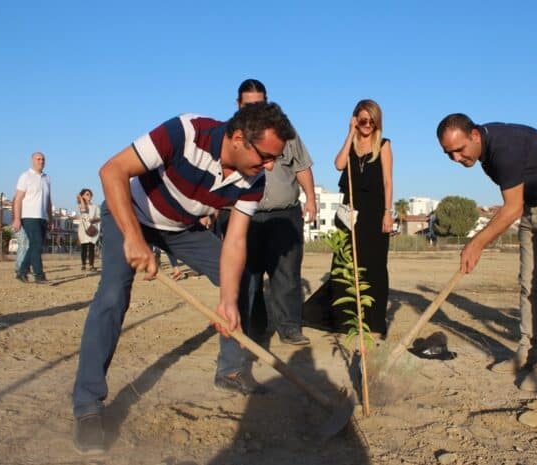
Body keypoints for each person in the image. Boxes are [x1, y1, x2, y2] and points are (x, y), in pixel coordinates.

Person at [71, 102, 295, 455]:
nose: (269, 166)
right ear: (238, 138)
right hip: (128, 214)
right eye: (266, 156)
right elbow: (111, 171)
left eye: (274, 159)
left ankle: (230, 371)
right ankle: (87, 405)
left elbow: (235, 240)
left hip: (180, 229)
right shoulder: (185, 132)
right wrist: (133, 237)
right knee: (113, 295)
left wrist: (227, 300)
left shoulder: (255, 178)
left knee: (243, 279)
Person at [436, 114, 537, 394]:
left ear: (474, 135)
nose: (457, 158)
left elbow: (511, 209)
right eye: (449, 154)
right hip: (533, 208)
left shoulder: (503, 148)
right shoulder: (487, 157)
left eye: (459, 150)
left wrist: (476, 243)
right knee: (528, 284)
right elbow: (517, 203)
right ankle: (527, 353)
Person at [228, 79, 317, 347]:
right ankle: (253, 329)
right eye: (248, 105)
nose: (255, 110)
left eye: (260, 104)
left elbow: (301, 166)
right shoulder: (231, 135)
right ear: (237, 105)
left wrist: (311, 198)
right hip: (245, 217)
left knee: (287, 274)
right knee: (248, 275)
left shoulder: (286, 133)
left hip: (284, 215)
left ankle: (289, 328)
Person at [304, 99, 394, 336]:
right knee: (344, 264)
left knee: (374, 268)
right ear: (355, 120)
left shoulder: (383, 145)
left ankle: (374, 323)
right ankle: (345, 322)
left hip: (375, 213)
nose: (367, 125)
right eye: (362, 120)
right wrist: (349, 133)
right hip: (350, 213)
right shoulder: (352, 145)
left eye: (371, 121)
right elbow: (338, 164)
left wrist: (388, 212)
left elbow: (387, 182)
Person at [13, 152, 52, 283]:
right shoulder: (25, 176)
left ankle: (22, 272)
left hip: (42, 217)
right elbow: (18, 199)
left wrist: (50, 218)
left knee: (36, 246)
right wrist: (17, 218)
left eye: (43, 159)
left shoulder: (47, 178)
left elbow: (48, 200)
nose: (41, 161)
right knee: (36, 244)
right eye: (38, 159)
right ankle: (39, 275)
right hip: (29, 216)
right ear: (32, 161)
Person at [76, 189, 101, 271]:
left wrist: (94, 220)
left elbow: (99, 217)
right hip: (83, 228)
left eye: (90, 194)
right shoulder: (80, 205)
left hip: (93, 228)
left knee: (91, 247)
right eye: (87, 194)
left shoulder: (95, 206)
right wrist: (80, 198)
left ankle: (91, 265)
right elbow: (84, 210)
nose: (89, 196)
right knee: (83, 246)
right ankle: (83, 264)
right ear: (83, 196)